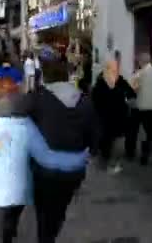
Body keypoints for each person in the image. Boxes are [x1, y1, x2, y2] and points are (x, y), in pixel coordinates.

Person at [0, 77, 89, 243]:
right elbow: (46, 157)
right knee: (8, 226)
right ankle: (9, 233)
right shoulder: (25, 123)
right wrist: (76, 160)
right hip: (15, 192)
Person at [27, 58, 99, 242]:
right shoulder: (84, 100)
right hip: (73, 168)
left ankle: (46, 236)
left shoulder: (38, 98)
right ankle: (50, 232)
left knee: (43, 209)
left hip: (43, 168)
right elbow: (94, 134)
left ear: (45, 77)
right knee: (59, 207)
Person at [91, 58, 136, 174]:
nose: (115, 71)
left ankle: (105, 162)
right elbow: (131, 94)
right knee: (109, 140)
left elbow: (131, 94)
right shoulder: (106, 82)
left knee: (109, 139)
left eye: (116, 69)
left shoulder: (107, 81)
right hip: (110, 115)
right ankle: (107, 164)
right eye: (114, 68)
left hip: (113, 115)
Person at [130, 53, 152, 164]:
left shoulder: (139, 74)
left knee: (136, 131)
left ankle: (132, 152)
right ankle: (145, 155)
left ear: (141, 62)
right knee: (149, 133)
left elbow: (132, 90)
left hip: (141, 109)